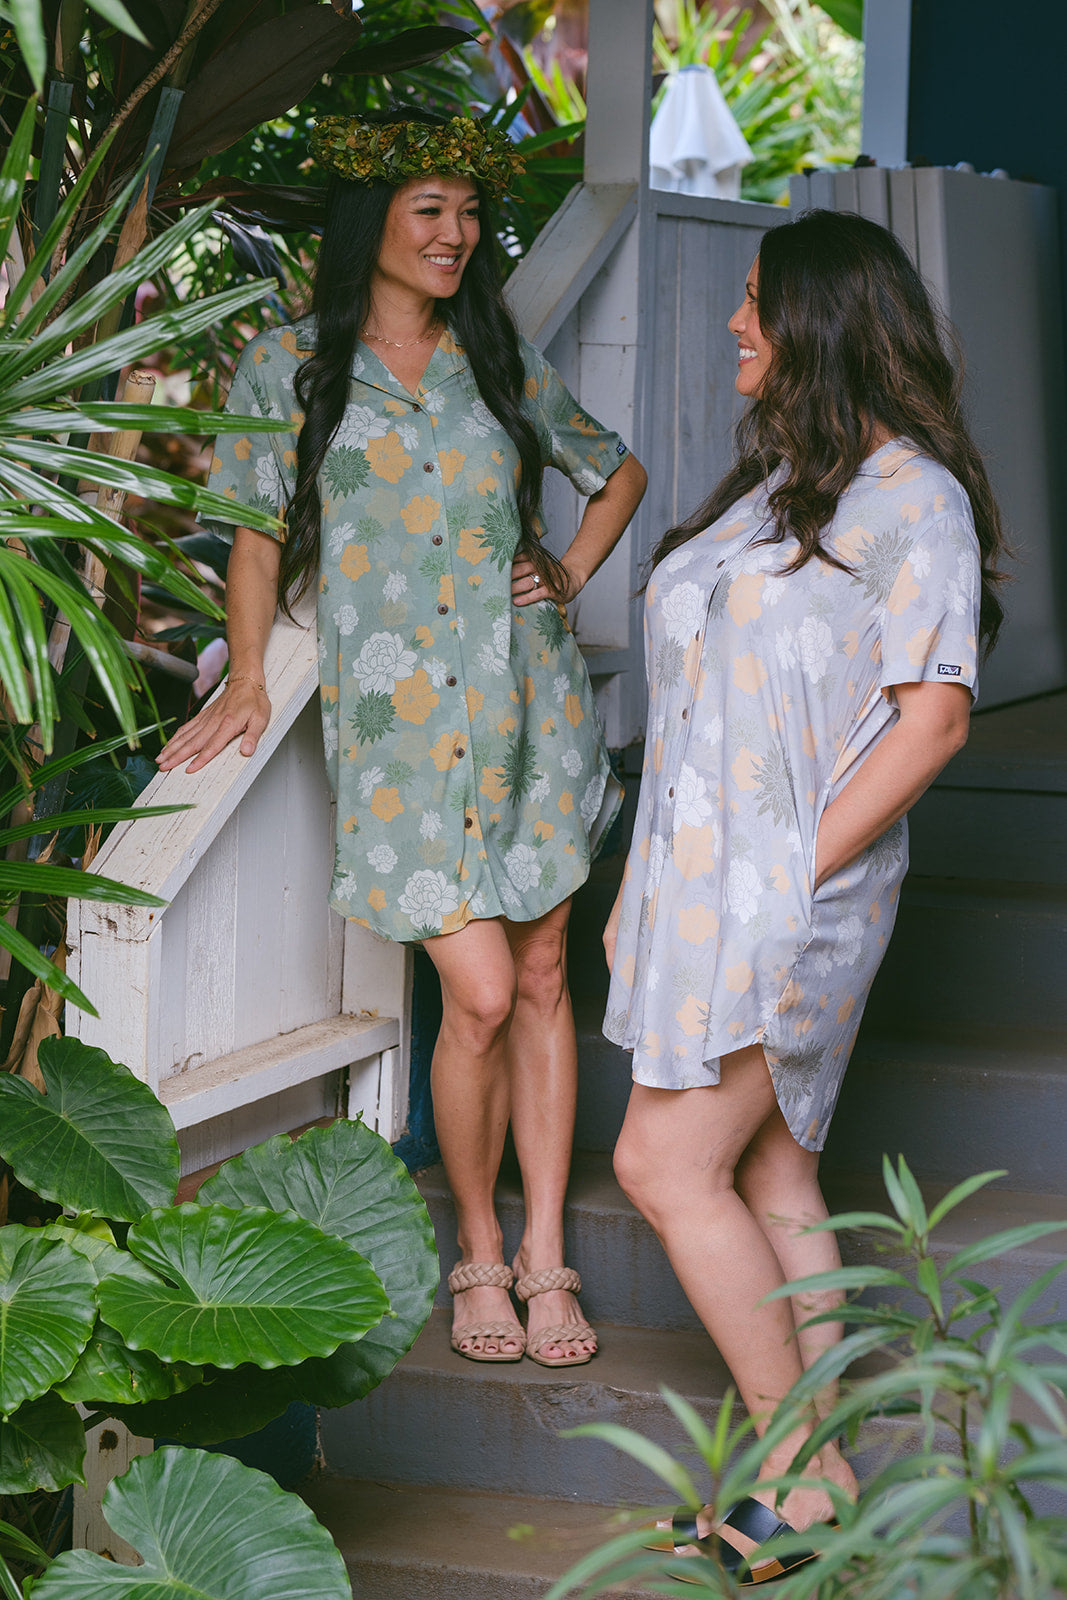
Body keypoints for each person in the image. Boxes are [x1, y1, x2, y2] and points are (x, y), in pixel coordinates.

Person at [160, 110, 647, 1369]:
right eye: (429, 209)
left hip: (528, 712)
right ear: (368, 221)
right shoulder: (291, 368)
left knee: (541, 978)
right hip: (399, 734)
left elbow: (616, 470)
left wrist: (567, 571)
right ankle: (473, 1248)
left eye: (468, 213)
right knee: (476, 993)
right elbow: (255, 531)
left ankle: (543, 1256)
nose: (455, 234)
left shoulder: (492, 352)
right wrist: (253, 678)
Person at [602, 209, 1004, 1582]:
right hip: (698, 891)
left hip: (796, 902)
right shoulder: (786, 487)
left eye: (756, 302)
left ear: (820, 322)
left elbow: (930, 722)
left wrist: (786, 875)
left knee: (659, 1163)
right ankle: (823, 1471)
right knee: (771, 1166)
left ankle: (798, 1471)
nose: (733, 323)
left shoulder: (913, 504)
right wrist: (642, 885)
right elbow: (704, 704)